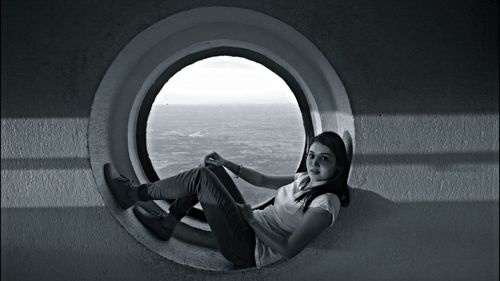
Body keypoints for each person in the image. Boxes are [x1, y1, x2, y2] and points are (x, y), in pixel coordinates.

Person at [104, 131, 350, 268]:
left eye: (324, 159)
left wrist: (252, 220)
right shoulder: (305, 179)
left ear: (337, 168)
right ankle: (167, 225)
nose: (314, 163)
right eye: (311, 155)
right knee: (210, 170)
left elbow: (289, 250)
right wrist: (226, 163)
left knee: (200, 178)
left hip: (249, 248)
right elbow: (263, 180)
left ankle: (132, 195)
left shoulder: (324, 205)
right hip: (250, 228)